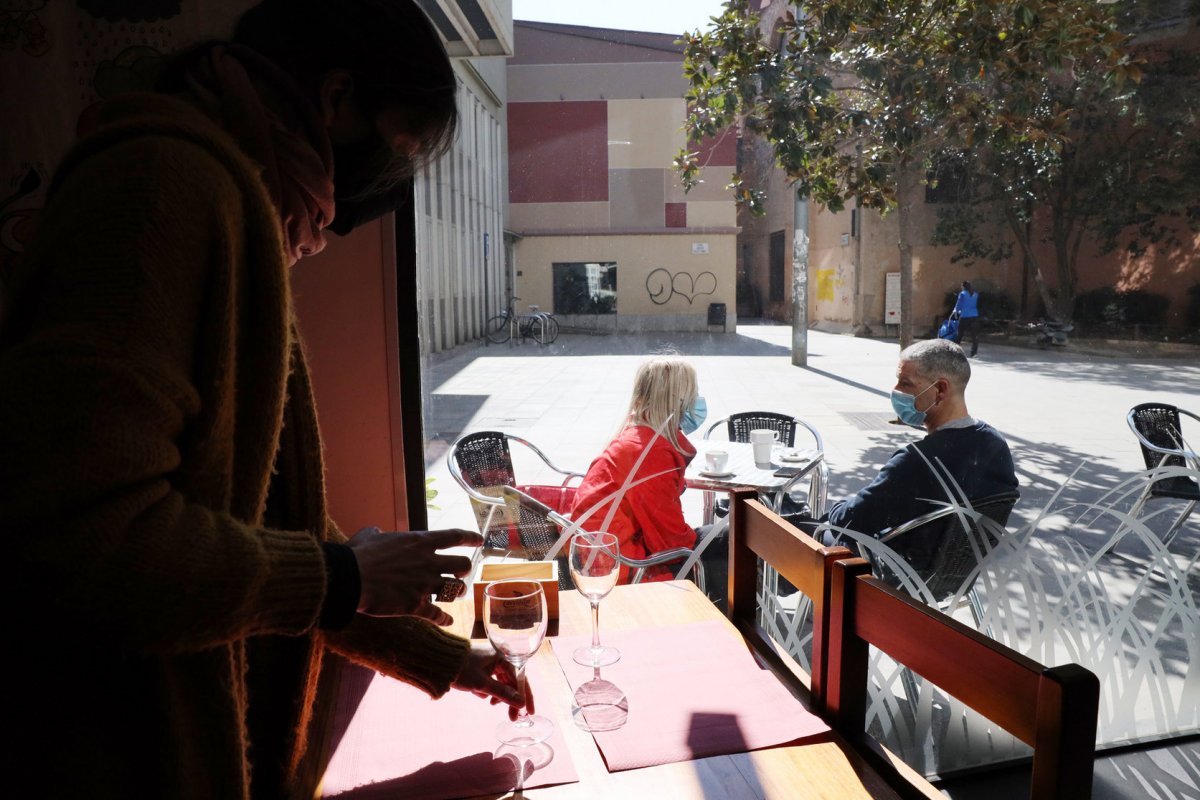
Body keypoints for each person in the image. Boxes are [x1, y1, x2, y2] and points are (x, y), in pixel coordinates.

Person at [0, 2, 524, 798]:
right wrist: (344, 576)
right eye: (397, 151)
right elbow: (85, 542)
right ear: (337, 100)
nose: (376, 194)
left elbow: (266, 527)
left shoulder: (234, 204)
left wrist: (444, 657)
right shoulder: (159, 192)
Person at [817, 339, 1018, 560]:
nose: (896, 391)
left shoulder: (918, 461)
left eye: (905, 382)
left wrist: (834, 509)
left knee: (806, 533)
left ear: (940, 389)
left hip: (898, 576)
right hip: (956, 574)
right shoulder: (996, 444)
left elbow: (850, 520)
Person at [570, 356, 721, 588]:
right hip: (625, 569)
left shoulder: (636, 438)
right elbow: (670, 542)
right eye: (693, 394)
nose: (697, 402)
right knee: (734, 542)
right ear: (675, 403)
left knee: (724, 537)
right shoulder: (651, 454)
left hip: (603, 557)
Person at [952, 280, 981, 356]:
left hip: (965, 316)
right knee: (974, 336)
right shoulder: (975, 294)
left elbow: (959, 304)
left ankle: (955, 352)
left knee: (959, 334)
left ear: (963, 287)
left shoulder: (962, 294)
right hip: (974, 316)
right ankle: (974, 352)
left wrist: (955, 311)